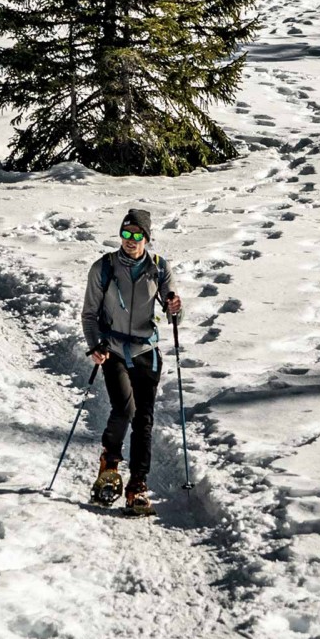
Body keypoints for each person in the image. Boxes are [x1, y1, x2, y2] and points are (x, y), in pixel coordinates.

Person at [80, 208, 182, 514]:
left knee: (144, 420)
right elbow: (89, 314)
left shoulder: (159, 269)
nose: (130, 240)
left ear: (147, 239)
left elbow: (173, 309)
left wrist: (175, 308)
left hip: (146, 352)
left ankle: (138, 485)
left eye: (137, 235)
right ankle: (109, 465)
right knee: (125, 408)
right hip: (112, 349)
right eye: (126, 233)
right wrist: (95, 344)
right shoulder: (104, 268)